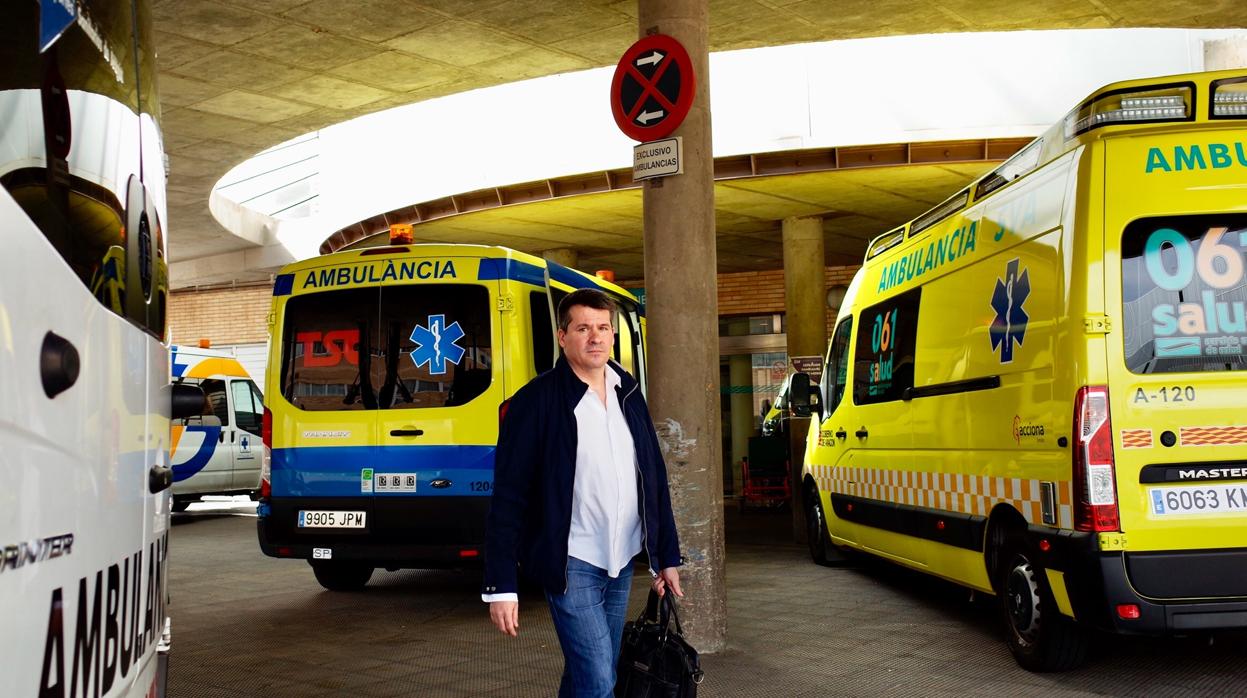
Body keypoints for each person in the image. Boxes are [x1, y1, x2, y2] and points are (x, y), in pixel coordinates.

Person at [482, 288, 683, 698]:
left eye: (603, 328)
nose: (595, 337)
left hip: (621, 559)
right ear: (563, 336)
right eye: (583, 328)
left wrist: (666, 557)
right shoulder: (536, 402)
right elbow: (508, 498)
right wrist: (501, 586)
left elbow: (654, 479)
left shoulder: (628, 391)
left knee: (588, 672)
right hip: (572, 561)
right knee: (598, 681)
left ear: (613, 335)